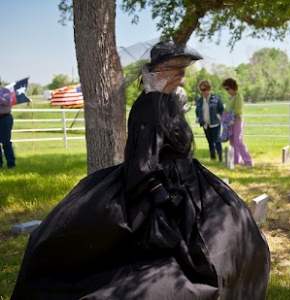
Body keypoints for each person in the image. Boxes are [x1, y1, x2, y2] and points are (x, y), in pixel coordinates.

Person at [11, 41, 269, 300]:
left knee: (230, 227)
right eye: (175, 69)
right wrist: (161, 195)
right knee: (180, 255)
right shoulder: (149, 106)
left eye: (182, 69)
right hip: (161, 183)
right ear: (157, 72)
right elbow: (141, 161)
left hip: (187, 178)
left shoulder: (165, 100)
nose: (181, 75)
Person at [222, 78, 253, 167]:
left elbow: (237, 110)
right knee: (232, 141)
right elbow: (227, 109)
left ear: (233, 87)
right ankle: (236, 160)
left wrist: (227, 115)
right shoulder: (231, 97)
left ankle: (248, 161)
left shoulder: (238, 97)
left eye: (228, 89)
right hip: (230, 122)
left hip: (237, 121)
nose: (227, 91)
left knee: (238, 141)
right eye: (226, 89)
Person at [195, 80, 224, 161]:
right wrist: (198, 118)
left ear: (209, 89)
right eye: (201, 90)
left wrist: (219, 117)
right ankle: (213, 158)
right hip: (205, 124)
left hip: (215, 124)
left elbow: (221, 110)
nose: (203, 92)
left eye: (204, 90)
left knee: (217, 140)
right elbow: (197, 111)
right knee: (210, 142)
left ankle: (221, 158)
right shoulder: (200, 100)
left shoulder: (216, 98)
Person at [0, 87, 16, 169]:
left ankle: (11, 164)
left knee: (6, 142)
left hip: (5, 118)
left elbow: (8, 102)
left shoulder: (5, 91)